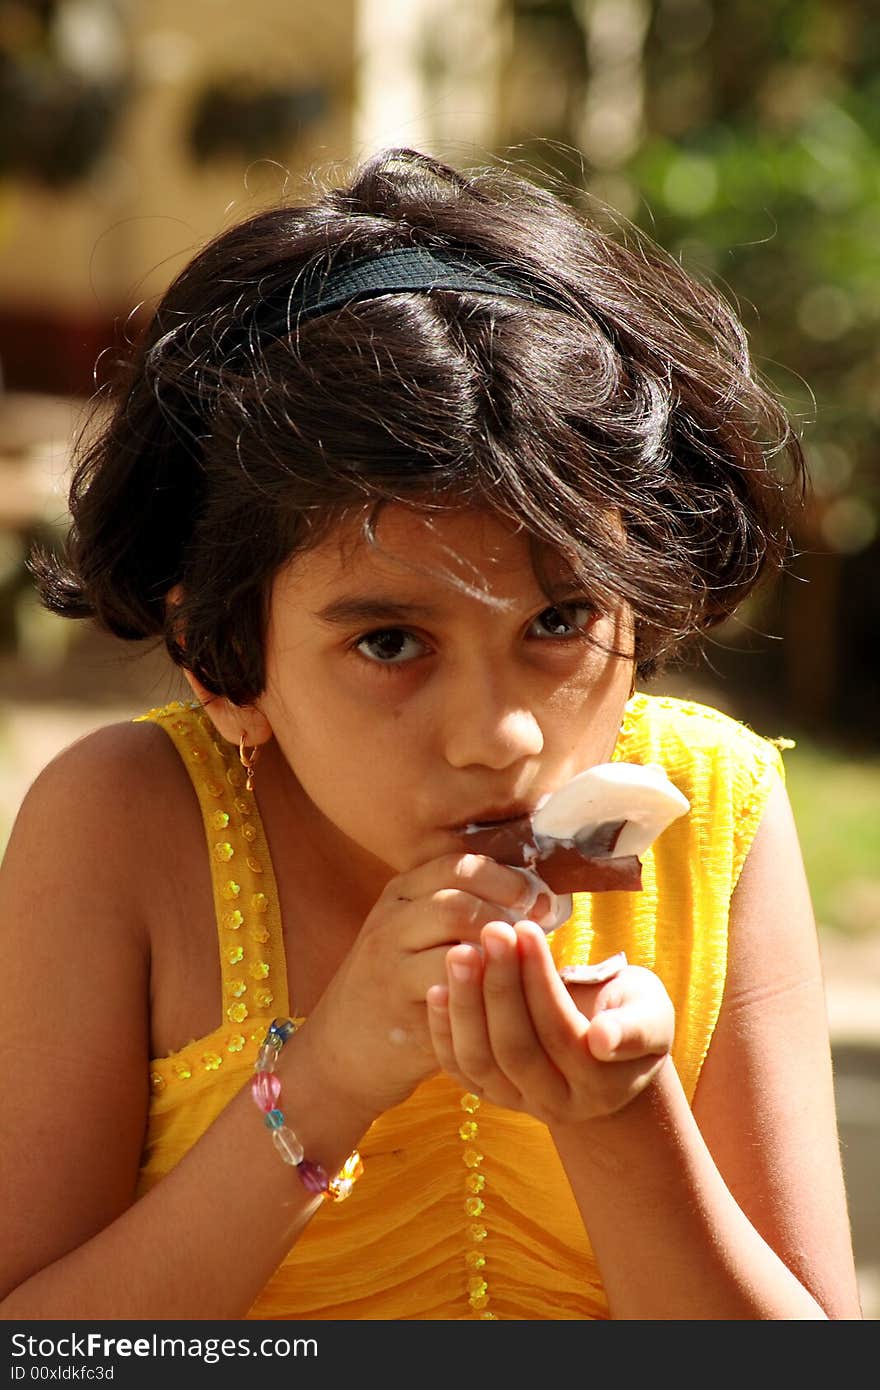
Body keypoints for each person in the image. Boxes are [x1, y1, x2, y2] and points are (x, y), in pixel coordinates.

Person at [0, 147, 862, 1321]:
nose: (501, 736)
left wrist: (620, 1118)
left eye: (559, 620)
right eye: (391, 644)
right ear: (222, 661)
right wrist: (330, 1078)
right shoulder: (127, 825)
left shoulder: (708, 818)